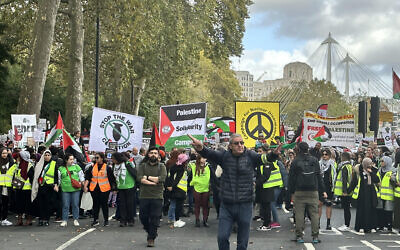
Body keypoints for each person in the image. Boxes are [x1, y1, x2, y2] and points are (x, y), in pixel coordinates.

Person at [188, 133, 280, 250]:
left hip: (245, 204)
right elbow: (209, 154)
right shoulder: (224, 156)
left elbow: (264, 158)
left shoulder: (250, 156)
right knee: (222, 237)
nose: (240, 145)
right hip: (227, 205)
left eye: (242, 143)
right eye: (236, 143)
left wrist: (274, 154)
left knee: (242, 242)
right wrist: (200, 148)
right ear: (230, 146)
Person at [289, 142, 327, 244]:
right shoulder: (314, 160)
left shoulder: (296, 161)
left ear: (299, 149)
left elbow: (291, 178)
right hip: (313, 190)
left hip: (299, 191)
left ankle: (299, 236)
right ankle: (315, 236)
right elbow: (319, 177)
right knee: (314, 214)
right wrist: (322, 190)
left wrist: (291, 192)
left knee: (299, 214)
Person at [137, 147, 167, 247]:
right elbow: (140, 178)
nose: (153, 155)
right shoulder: (142, 166)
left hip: (157, 196)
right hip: (144, 195)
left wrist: (148, 178)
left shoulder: (162, 166)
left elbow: (162, 178)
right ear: (148, 155)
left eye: (155, 153)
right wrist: (153, 182)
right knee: (143, 217)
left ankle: (151, 238)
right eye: (151, 153)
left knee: (155, 217)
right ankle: (150, 231)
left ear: (158, 155)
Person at [84, 152, 117, 227]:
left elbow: (112, 179)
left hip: (105, 189)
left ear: (102, 158)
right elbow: (88, 178)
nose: (96, 159)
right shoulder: (92, 167)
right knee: (95, 205)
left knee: (104, 205)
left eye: (97, 157)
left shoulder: (107, 167)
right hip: (94, 188)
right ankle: (95, 220)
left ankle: (106, 220)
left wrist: (114, 188)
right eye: (95, 158)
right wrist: (85, 186)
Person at [349, 157, 379, 232]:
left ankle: (371, 227)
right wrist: (348, 191)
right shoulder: (359, 171)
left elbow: (377, 179)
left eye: (370, 164)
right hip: (362, 193)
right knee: (362, 210)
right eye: (368, 164)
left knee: (371, 210)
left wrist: (371, 172)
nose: (369, 166)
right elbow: (354, 182)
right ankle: (361, 226)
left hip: (371, 193)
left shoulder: (374, 170)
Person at [55, 153, 85, 227]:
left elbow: (81, 177)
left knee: (75, 205)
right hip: (65, 189)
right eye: (70, 159)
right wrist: (57, 186)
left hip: (76, 189)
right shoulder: (61, 168)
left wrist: (84, 185)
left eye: (73, 159)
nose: (72, 161)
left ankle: (76, 219)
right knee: (65, 205)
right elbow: (58, 179)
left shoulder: (77, 167)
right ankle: (64, 220)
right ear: (66, 160)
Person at [111, 152, 137, 227]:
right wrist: (114, 188)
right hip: (120, 187)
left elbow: (134, 173)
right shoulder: (114, 165)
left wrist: (137, 184)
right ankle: (123, 220)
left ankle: (130, 220)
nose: (112, 160)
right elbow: (114, 178)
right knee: (122, 204)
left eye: (113, 159)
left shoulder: (127, 163)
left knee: (130, 204)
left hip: (130, 186)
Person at [255, 145, 275, 231]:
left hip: (267, 187)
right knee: (263, 206)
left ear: (265, 152)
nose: (259, 153)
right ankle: (265, 222)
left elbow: (266, 175)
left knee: (266, 207)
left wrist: (256, 183)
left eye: (261, 151)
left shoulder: (267, 162)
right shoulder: (259, 162)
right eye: (258, 152)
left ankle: (267, 224)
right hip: (262, 187)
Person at [36, 150, 58, 226]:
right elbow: (37, 174)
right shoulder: (40, 164)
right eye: (45, 155)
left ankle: (46, 219)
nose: (47, 157)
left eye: (48, 155)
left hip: (50, 186)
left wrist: (55, 184)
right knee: (40, 203)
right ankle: (41, 219)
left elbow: (56, 175)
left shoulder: (54, 164)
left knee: (48, 204)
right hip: (41, 186)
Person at [167, 153, 189, 228]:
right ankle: (177, 220)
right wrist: (173, 186)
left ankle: (172, 219)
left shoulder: (173, 166)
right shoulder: (181, 168)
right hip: (179, 189)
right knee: (178, 206)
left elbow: (170, 177)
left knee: (173, 204)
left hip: (174, 189)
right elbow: (178, 179)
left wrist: (169, 186)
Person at [13, 151, 35, 226]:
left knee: (28, 205)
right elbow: (16, 175)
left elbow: (32, 178)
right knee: (19, 204)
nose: (18, 158)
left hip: (27, 188)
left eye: (19, 157)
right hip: (19, 188)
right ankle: (20, 220)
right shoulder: (18, 165)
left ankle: (29, 219)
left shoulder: (29, 165)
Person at [189, 155, 211, 227]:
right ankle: (197, 220)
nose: (205, 159)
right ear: (199, 159)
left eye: (205, 158)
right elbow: (190, 177)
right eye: (203, 158)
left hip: (206, 188)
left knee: (205, 206)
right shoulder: (193, 166)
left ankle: (205, 220)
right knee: (197, 205)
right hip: (196, 188)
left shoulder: (209, 166)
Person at [334, 152, 353, 231]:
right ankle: (346, 224)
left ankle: (346, 224)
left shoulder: (344, 167)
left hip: (345, 191)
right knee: (347, 208)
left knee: (346, 208)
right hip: (349, 190)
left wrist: (344, 191)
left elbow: (344, 180)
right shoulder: (350, 166)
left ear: (343, 158)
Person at [318, 148, 336, 230]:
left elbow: (334, 176)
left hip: (329, 187)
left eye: (326, 154)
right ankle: (317, 222)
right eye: (323, 154)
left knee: (329, 204)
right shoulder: (318, 164)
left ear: (329, 155)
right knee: (319, 204)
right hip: (320, 187)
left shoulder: (333, 164)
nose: (324, 156)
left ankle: (328, 223)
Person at [376, 156, 395, 231]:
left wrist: (392, 179)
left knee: (388, 211)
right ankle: (380, 225)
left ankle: (389, 225)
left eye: (382, 161)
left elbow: (395, 181)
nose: (381, 163)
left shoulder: (392, 171)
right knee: (380, 211)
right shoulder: (379, 170)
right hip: (380, 194)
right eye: (380, 161)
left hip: (388, 195)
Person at [0, 148, 14, 226]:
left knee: (5, 203)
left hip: (6, 187)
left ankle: (4, 219)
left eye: (6, 153)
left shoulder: (10, 163)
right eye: (3, 153)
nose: (4, 155)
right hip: (0, 186)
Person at [391, 164, 400, 229]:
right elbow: (391, 179)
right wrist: (396, 184)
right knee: (397, 212)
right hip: (397, 194)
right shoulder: (396, 169)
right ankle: (396, 225)